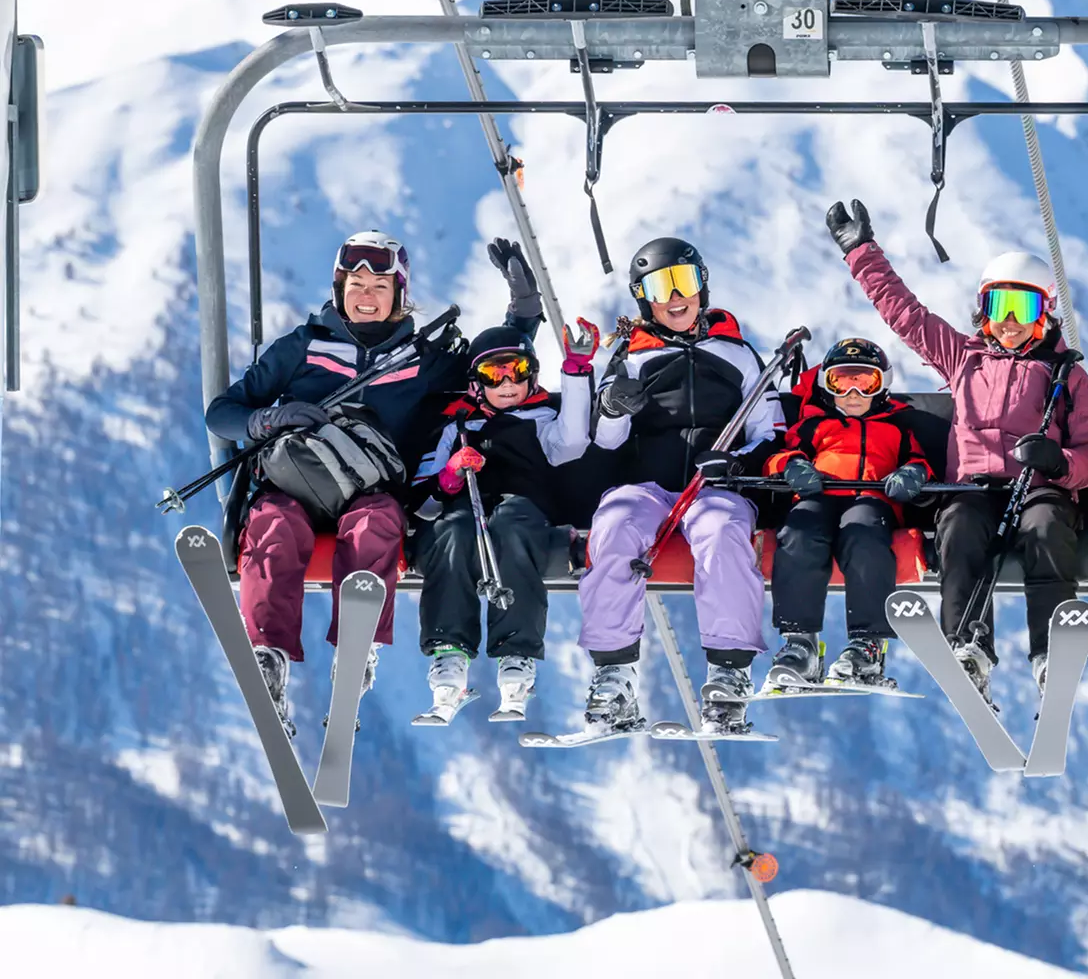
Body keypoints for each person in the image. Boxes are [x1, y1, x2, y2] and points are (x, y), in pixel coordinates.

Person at [204, 233, 543, 734]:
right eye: (355, 283)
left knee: (375, 526)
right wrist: (267, 422)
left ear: (399, 294)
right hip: (292, 485)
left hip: (372, 491)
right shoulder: (302, 347)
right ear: (339, 287)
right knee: (273, 527)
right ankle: (268, 657)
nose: (365, 294)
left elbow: (494, 369)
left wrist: (524, 311)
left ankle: (355, 651)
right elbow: (222, 414)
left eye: (379, 285)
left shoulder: (421, 358)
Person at [827, 200, 1088, 699]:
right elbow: (906, 315)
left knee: (1046, 531)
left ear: (1045, 313)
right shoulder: (964, 358)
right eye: (999, 308)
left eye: (1024, 309)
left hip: (1037, 488)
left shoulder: (1068, 375)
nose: (1010, 322)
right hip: (971, 488)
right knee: (957, 529)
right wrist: (861, 253)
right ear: (983, 312)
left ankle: (1048, 654)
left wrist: (1058, 463)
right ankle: (968, 646)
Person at [577, 238, 782, 735]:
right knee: (617, 524)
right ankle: (614, 674)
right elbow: (605, 442)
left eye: (684, 283)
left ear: (702, 284)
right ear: (642, 297)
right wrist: (611, 408)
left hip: (716, 487)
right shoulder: (629, 357)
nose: (675, 297)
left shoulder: (736, 355)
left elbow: (768, 429)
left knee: (722, 530)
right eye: (659, 286)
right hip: (647, 486)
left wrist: (733, 463)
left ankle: (728, 675)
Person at [408, 318, 598, 722]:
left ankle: (516, 654)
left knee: (512, 525)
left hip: (523, 512)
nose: (508, 382)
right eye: (495, 374)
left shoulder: (543, 419)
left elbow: (573, 442)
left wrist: (577, 371)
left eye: (519, 370)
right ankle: (449, 655)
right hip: (464, 513)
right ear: (476, 383)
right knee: (453, 532)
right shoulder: (456, 426)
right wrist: (449, 476)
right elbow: (422, 503)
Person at [765, 337, 933, 688]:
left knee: (863, 534)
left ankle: (867, 643)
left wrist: (913, 474)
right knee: (799, 533)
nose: (853, 393)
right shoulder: (815, 425)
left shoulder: (896, 426)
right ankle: (800, 641)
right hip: (818, 496)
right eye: (841, 382)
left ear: (881, 384)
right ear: (827, 385)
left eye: (865, 382)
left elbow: (918, 460)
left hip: (872, 500)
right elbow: (778, 455)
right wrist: (792, 466)